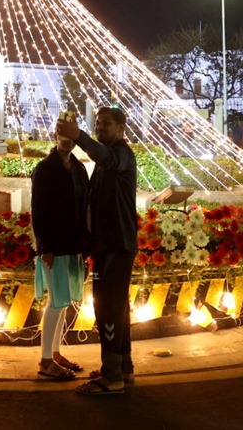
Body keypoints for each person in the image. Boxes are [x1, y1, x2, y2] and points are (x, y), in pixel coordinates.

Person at [56, 107, 137, 396]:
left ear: (121, 128)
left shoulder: (122, 155)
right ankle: (122, 368)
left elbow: (108, 158)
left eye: (107, 124)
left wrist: (78, 136)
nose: (101, 128)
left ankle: (111, 377)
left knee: (107, 309)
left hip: (116, 244)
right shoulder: (106, 161)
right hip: (108, 244)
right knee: (117, 308)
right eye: (98, 124)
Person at [31, 134, 89, 381]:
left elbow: (85, 204)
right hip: (54, 246)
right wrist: (46, 247)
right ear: (55, 137)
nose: (68, 141)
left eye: (72, 136)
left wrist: (85, 246)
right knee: (56, 301)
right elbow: (39, 209)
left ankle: (55, 353)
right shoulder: (44, 169)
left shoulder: (78, 168)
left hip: (73, 244)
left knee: (64, 302)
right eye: (63, 136)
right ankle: (45, 361)